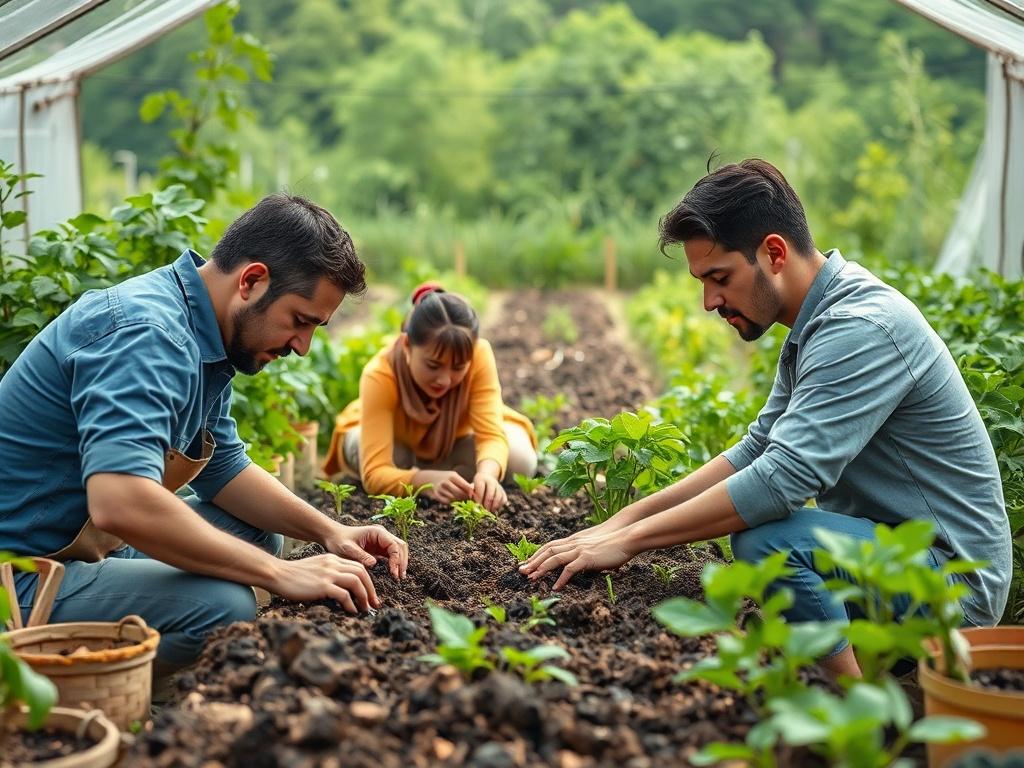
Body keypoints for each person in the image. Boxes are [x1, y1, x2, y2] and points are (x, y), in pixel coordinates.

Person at [520, 159, 1010, 677]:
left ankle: (858, 718)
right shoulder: (817, 321)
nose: (709, 301)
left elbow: (782, 481)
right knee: (769, 537)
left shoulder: (861, 328)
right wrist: (621, 520)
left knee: (768, 542)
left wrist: (630, 542)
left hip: (953, 586)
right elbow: (758, 450)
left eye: (719, 277)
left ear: (774, 253)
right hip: (891, 557)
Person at [0, 194, 408, 673]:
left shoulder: (201, 329)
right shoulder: (148, 335)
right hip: (23, 575)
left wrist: (331, 531)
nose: (303, 346)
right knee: (223, 607)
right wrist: (280, 575)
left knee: (257, 533)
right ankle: (89, 699)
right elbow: (120, 502)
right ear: (252, 281)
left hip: (87, 547)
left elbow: (224, 468)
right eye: (300, 321)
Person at [324, 283, 537, 512]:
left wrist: (488, 475)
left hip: (454, 441)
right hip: (395, 443)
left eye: (458, 368)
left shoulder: (479, 354)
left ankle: (443, 476)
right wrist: (421, 481)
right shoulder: (380, 373)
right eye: (433, 365)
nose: (444, 380)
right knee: (395, 457)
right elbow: (375, 473)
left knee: (519, 459)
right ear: (407, 346)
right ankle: (441, 474)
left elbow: (491, 434)